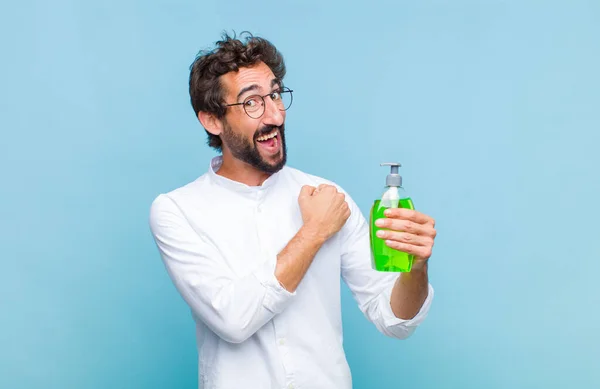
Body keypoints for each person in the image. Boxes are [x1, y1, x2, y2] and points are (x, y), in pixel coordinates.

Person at [149, 32, 437, 389]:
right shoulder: (178, 211)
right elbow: (233, 319)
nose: (275, 114)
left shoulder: (331, 198)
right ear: (212, 121)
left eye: (275, 94)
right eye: (252, 103)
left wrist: (416, 268)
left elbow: (394, 319)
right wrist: (314, 232)